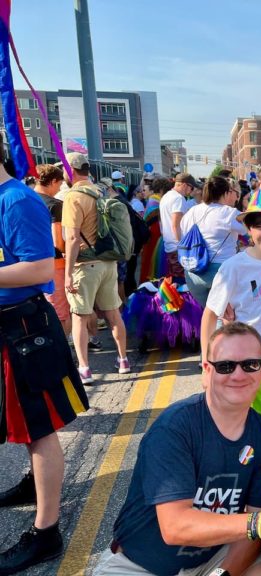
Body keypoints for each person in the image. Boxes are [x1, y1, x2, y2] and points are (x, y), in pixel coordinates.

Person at [92, 322, 261, 575]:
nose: (238, 374)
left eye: (250, 364)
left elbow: (254, 532)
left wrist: (221, 573)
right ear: (207, 370)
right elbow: (175, 527)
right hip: (140, 566)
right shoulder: (175, 428)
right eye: (225, 366)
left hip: (213, 557)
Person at [0, 145, 89, 575]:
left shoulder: (17, 199)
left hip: (22, 331)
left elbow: (37, 270)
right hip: (7, 328)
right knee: (18, 423)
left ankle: (46, 531)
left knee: (38, 426)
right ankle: (34, 485)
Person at [201, 191, 261, 419]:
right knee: (232, 425)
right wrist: (207, 366)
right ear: (249, 229)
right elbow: (209, 316)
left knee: (260, 424)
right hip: (236, 368)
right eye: (260, 227)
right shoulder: (234, 267)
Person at [61, 153, 130, 384]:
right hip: (108, 261)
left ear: (71, 170)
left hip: (85, 264)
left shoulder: (74, 197)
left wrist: (68, 273)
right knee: (113, 313)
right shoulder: (101, 190)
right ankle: (123, 360)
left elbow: (71, 238)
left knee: (79, 316)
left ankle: (85, 369)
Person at [180, 176, 245, 307]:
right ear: (226, 193)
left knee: (206, 314)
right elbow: (247, 230)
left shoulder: (192, 211)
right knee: (222, 316)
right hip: (220, 271)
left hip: (192, 270)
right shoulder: (229, 213)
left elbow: (182, 231)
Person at [33, 164, 70, 336]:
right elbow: (57, 241)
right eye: (59, 184)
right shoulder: (55, 205)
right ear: (53, 181)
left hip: (26, 263)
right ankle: (64, 352)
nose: (59, 188)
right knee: (60, 311)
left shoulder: (25, 199)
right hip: (55, 263)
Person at [159, 173, 195, 280]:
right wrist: (183, 247)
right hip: (177, 247)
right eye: (191, 187)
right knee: (181, 283)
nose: (191, 191)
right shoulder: (179, 198)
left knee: (174, 281)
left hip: (169, 245)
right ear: (184, 185)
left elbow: (162, 222)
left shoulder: (166, 196)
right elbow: (176, 225)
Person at [140, 176, 173, 283]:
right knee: (152, 262)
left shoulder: (155, 200)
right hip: (154, 236)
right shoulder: (156, 201)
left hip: (153, 235)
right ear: (162, 190)